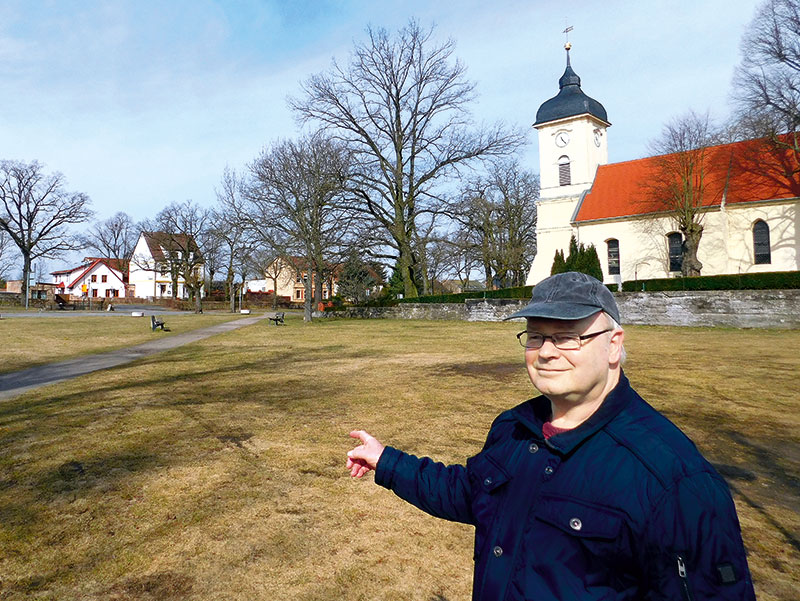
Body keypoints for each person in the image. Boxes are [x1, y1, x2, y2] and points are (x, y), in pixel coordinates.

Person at [346, 271, 756, 600]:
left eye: (568, 336)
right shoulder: (513, 428)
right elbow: (471, 493)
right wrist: (386, 460)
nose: (545, 351)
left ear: (613, 346)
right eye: (537, 335)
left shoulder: (674, 480)